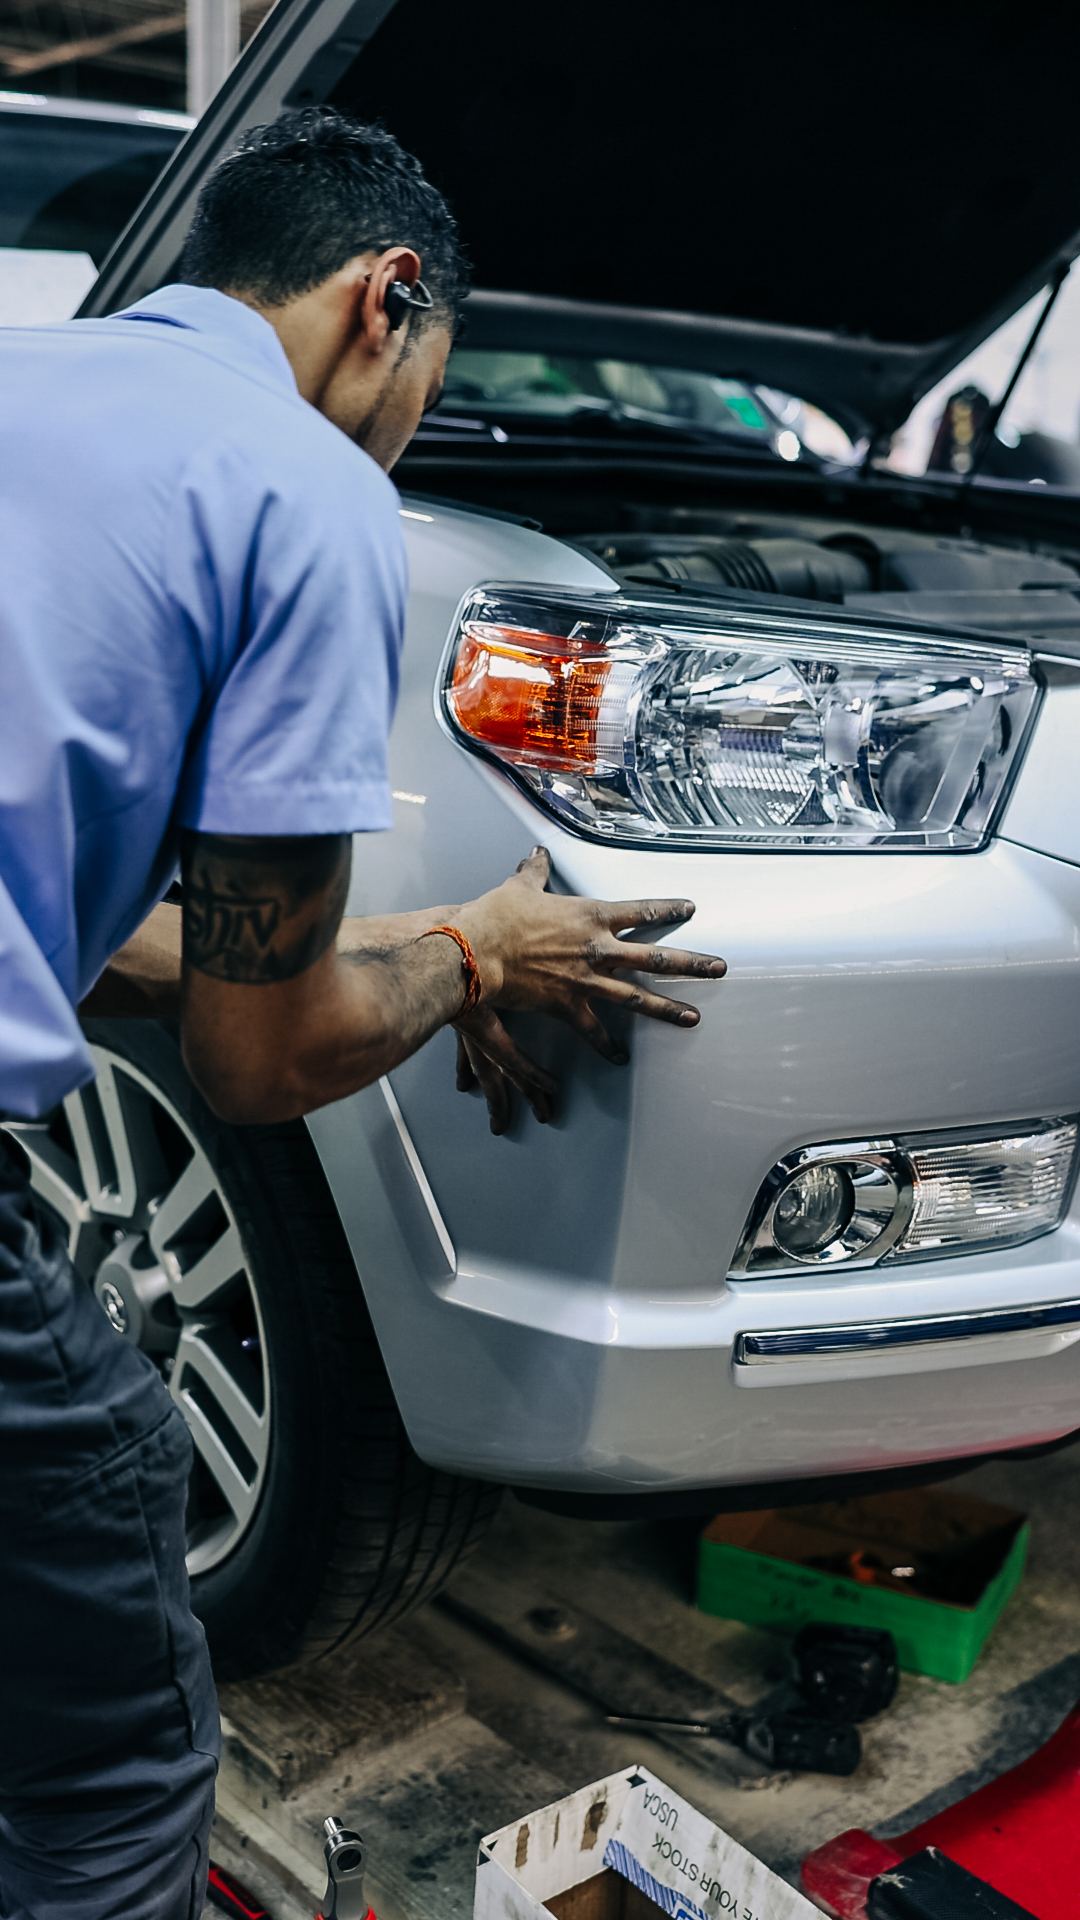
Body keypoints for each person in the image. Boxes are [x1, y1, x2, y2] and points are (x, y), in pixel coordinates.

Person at [0, 107, 726, 1918]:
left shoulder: (25, 389)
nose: (410, 435)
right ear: (384, 299)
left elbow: (53, 915)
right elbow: (259, 1060)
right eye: (428, 383)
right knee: (113, 1750)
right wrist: (475, 954)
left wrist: (378, 938)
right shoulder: (304, 490)